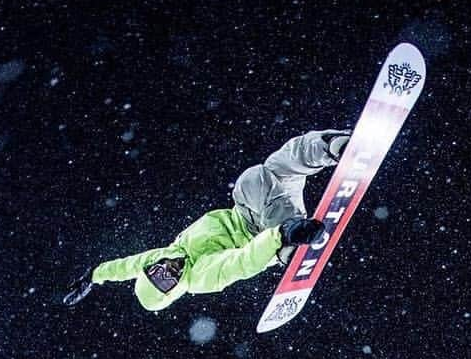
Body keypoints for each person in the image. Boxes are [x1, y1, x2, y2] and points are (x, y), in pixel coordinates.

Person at [61, 130, 351, 311]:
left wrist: (92, 275)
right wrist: (280, 236)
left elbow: (123, 267)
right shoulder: (198, 278)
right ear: (172, 292)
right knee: (255, 181)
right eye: (168, 281)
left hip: (246, 210)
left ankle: (330, 145)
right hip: (263, 236)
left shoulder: (164, 257)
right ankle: (291, 240)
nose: (169, 271)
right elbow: (241, 262)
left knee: (271, 169)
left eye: (159, 271)